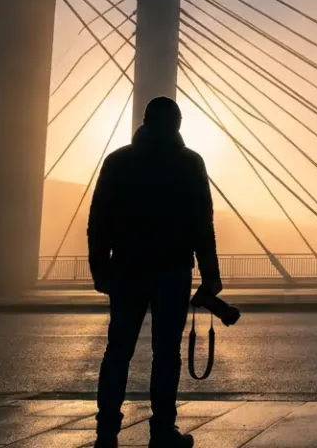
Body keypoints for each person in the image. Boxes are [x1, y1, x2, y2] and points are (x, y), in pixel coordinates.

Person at [88, 97, 221, 448]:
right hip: (172, 270)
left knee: (118, 350)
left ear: (144, 122)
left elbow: (98, 220)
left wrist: (100, 268)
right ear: (178, 124)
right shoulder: (189, 163)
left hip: (127, 268)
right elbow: (202, 224)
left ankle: (106, 431)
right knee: (166, 353)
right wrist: (210, 275)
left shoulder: (118, 161)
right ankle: (162, 430)